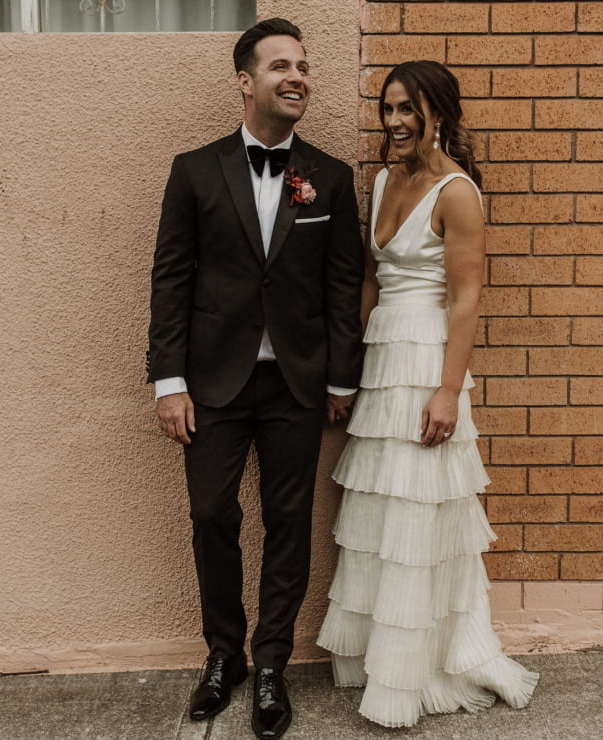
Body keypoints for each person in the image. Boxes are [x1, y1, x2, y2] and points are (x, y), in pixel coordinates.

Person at [147, 18, 364, 739]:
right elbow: (171, 279)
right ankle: (223, 655)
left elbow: (343, 284)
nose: (296, 77)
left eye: (303, 66)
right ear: (245, 81)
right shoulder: (194, 170)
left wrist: (342, 378)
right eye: (280, 66)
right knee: (211, 515)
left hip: (297, 386)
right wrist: (168, 381)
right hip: (212, 384)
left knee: (288, 524)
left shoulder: (330, 177)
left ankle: (272, 661)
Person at [316, 60, 540, 728]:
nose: (395, 121)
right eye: (388, 109)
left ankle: (416, 673)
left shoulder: (458, 193)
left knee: (418, 517)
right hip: (383, 358)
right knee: (382, 515)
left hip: (427, 361)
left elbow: (466, 299)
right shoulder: (384, 180)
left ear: (439, 114)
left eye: (408, 108)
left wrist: (447, 391)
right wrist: (349, 368)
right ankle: (380, 658)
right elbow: (370, 279)